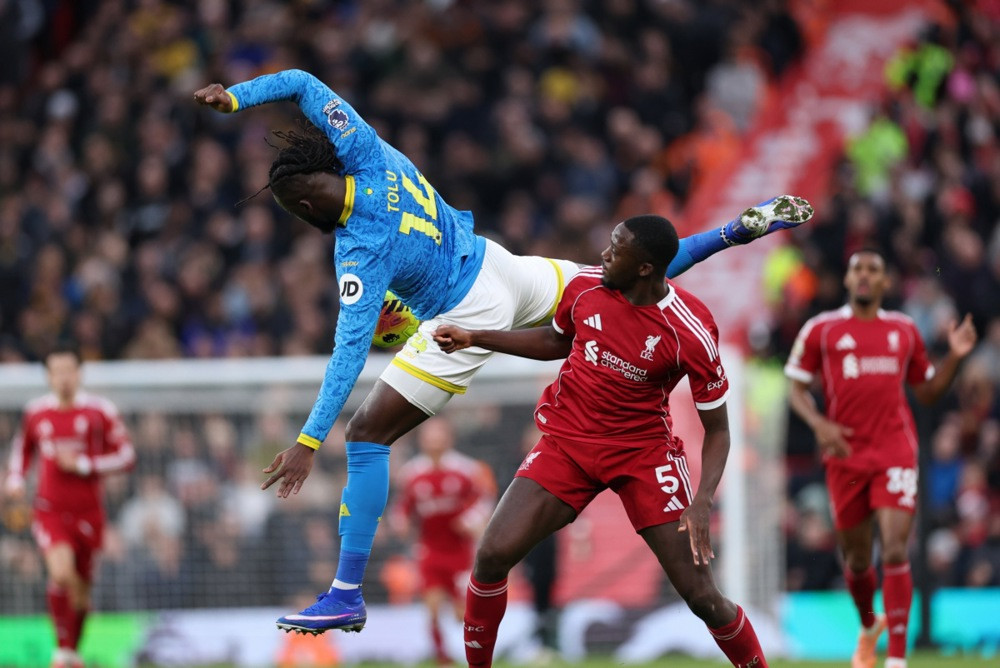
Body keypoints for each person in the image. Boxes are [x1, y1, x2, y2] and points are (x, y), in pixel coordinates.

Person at [193, 68, 814, 633]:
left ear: (304, 208)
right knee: (620, 277)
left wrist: (307, 442)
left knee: (366, 435)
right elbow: (302, 81)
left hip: (466, 310)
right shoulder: (365, 148)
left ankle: (346, 591)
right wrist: (236, 98)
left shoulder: (358, 252)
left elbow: (348, 356)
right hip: (501, 266)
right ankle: (736, 229)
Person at [433, 214, 769, 668]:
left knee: (702, 596)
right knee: (492, 555)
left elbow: (720, 430)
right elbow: (557, 341)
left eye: (617, 247)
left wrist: (703, 500)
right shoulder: (585, 287)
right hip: (567, 443)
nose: (604, 254)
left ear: (645, 267)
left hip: (642, 454)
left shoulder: (690, 330)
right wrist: (476, 337)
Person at [784, 249, 977, 668]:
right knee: (856, 559)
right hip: (846, 455)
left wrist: (957, 357)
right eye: (858, 269)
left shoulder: (904, 330)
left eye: (874, 270)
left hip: (895, 451)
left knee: (893, 549)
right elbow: (795, 387)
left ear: (886, 283)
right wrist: (819, 425)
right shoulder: (822, 329)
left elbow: (926, 391)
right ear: (849, 280)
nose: (866, 276)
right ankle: (870, 626)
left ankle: (898, 660)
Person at [2, 343, 136, 668]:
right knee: (61, 574)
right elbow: (22, 451)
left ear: (79, 373)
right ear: (48, 376)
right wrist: (16, 480)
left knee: (82, 591)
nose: (63, 378)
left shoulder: (100, 411)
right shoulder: (36, 412)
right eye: (56, 371)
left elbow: (127, 456)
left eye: (68, 371)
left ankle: (72, 653)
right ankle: (61, 652)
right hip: (49, 510)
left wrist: (84, 464)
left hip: (89, 512)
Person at [391, 416, 496, 666]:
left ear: (449, 438)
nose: (434, 439)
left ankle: (477, 656)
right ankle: (442, 659)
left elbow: (484, 501)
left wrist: (471, 521)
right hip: (430, 550)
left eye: (439, 434)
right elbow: (403, 507)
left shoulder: (467, 469)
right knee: (434, 609)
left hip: (460, 552)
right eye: (429, 434)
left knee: (465, 614)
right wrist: (401, 522)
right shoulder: (412, 473)